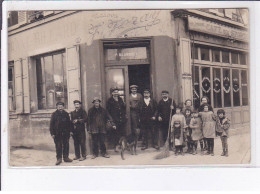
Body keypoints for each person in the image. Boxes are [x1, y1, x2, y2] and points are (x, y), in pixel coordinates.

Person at [106, 87, 127, 152]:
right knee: (115, 134)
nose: (116, 93)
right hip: (115, 120)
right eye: (114, 92)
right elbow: (108, 112)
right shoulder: (109, 101)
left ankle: (122, 145)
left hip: (122, 119)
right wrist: (111, 121)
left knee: (122, 132)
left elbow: (123, 108)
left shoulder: (120, 99)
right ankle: (116, 146)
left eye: (117, 92)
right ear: (112, 93)